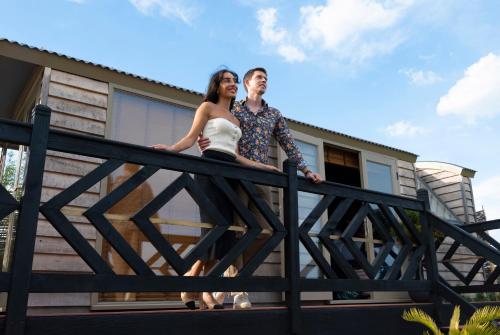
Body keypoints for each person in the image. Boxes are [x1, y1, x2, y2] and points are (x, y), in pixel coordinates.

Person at [152, 69, 278, 310]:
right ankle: (198, 284)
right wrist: (171, 149)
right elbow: (191, 138)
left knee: (225, 234)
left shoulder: (236, 119)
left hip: (231, 173)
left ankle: (199, 283)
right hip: (210, 169)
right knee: (213, 229)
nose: (232, 84)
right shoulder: (207, 107)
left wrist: (264, 166)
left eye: (234, 81)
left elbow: (237, 155)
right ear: (217, 85)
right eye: (226, 80)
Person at [198, 67, 322, 309]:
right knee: (235, 231)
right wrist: (204, 143)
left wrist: (307, 170)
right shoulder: (234, 108)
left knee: (268, 230)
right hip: (233, 175)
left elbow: (289, 144)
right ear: (247, 83)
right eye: (259, 78)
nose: (264, 81)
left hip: (260, 177)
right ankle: (239, 291)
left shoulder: (273, 114)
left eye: (267, 78)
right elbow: (212, 129)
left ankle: (229, 278)